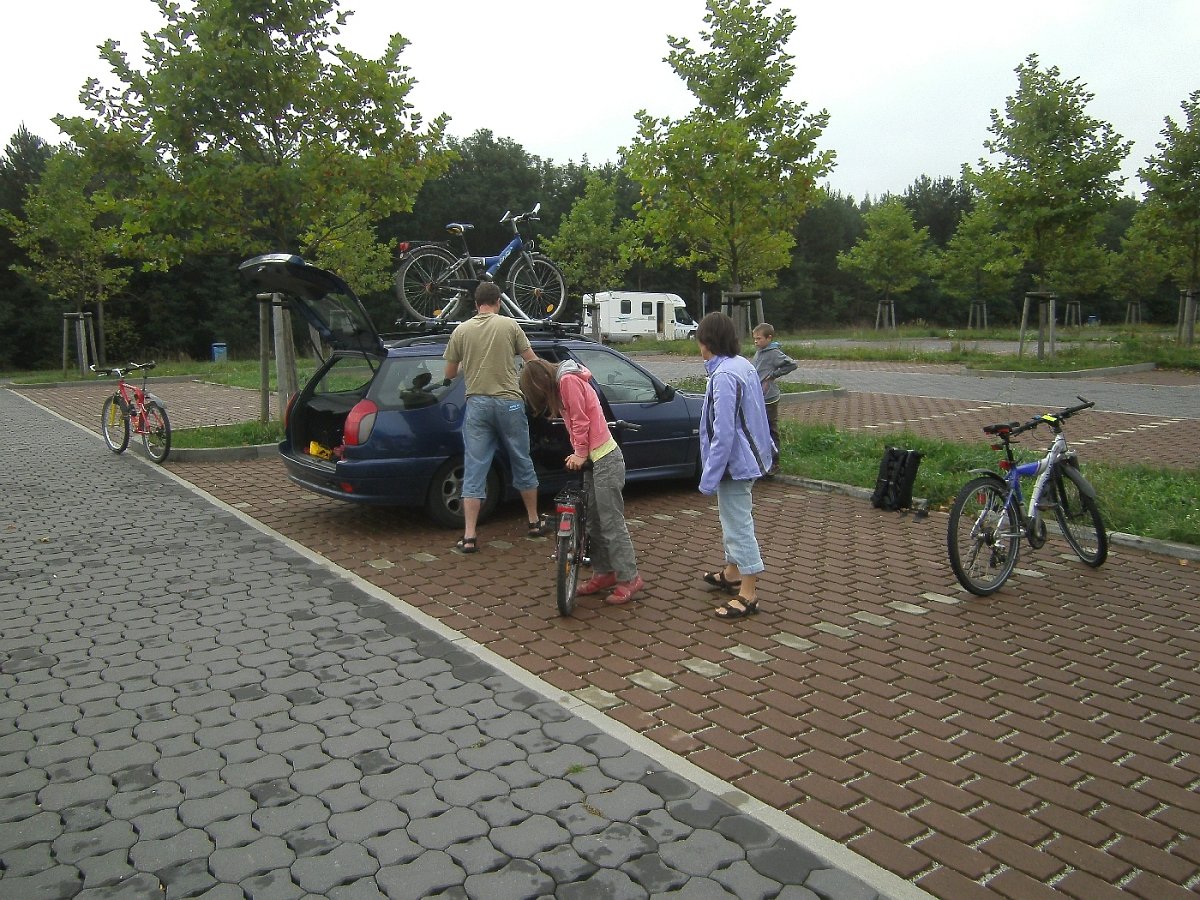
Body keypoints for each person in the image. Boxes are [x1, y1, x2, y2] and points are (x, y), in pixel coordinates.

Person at [520, 358, 644, 605]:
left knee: (610, 522)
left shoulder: (567, 381)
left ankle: (630, 578)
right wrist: (582, 453)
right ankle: (604, 573)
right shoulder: (564, 382)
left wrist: (579, 452)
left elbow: (580, 420)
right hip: (594, 459)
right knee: (593, 522)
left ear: (540, 383)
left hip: (606, 458)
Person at [443, 281, 547, 553]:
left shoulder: (461, 330)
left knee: (475, 466)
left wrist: (469, 363)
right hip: (509, 403)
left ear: (476, 303)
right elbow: (532, 361)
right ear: (498, 302)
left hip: (477, 404)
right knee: (521, 460)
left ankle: (469, 536)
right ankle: (534, 521)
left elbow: (450, 373)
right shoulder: (510, 325)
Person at [696, 312, 775, 619]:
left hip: (735, 463)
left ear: (708, 342)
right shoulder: (741, 364)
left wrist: (709, 477)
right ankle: (732, 572)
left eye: (700, 341)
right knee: (731, 518)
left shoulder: (724, 376)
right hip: (749, 458)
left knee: (738, 524)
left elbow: (724, 432)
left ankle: (749, 593)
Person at [751, 322, 798, 474]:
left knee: (771, 430)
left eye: (759, 338)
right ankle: (762, 461)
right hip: (758, 397)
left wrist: (773, 375)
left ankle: (775, 463)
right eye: (755, 339)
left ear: (769, 338)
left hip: (769, 398)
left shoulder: (773, 353)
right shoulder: (760, 352)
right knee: (758, 430)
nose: (756, 341)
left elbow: (791, 364)